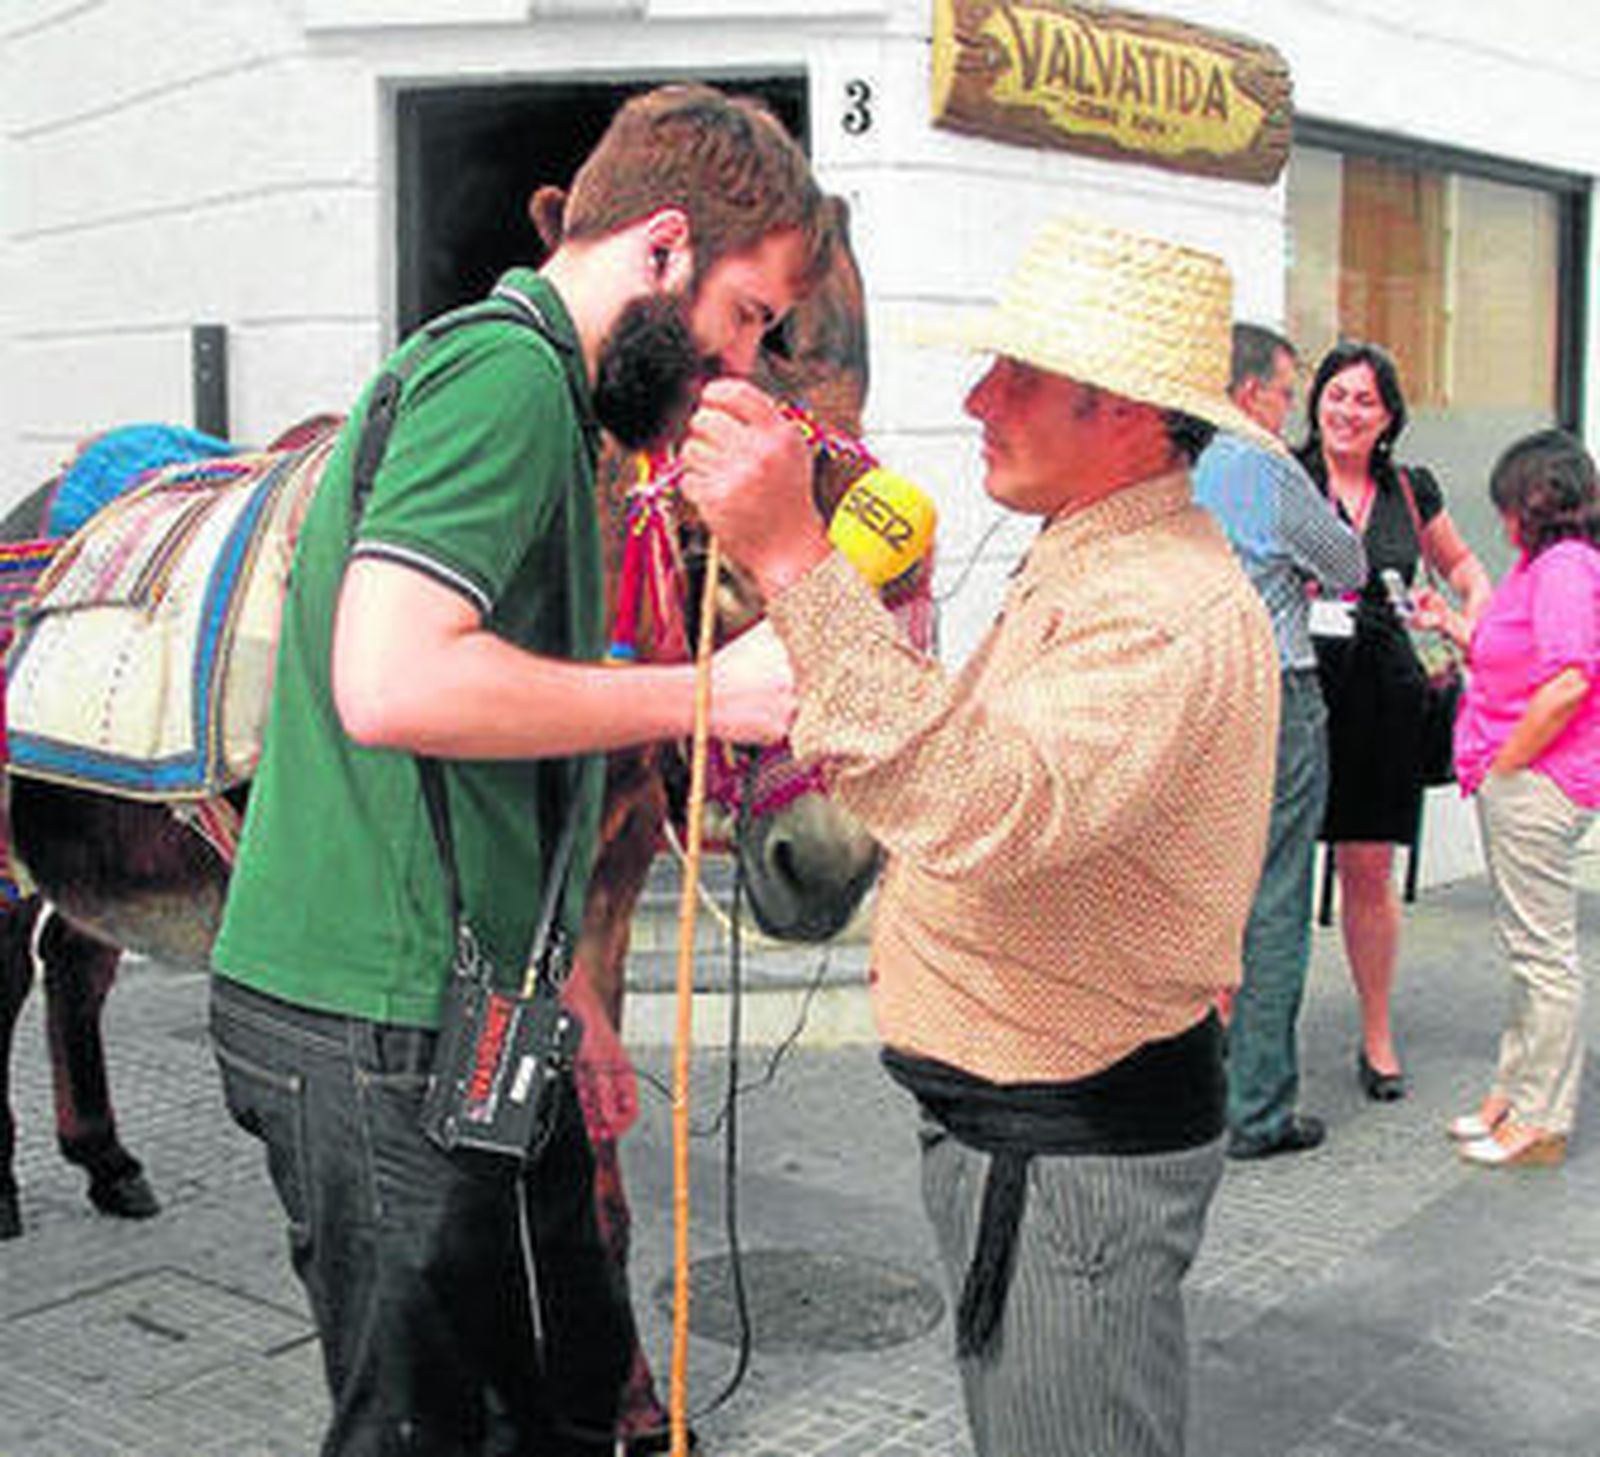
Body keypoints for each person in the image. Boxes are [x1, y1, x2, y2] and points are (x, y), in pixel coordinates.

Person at [208, 83, 821, 1457]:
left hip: (455, 1003)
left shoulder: (555, 397)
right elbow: (395, 681)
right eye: (747, 319)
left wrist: (568, 1003)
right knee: (422, 1430)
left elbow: (503, 752)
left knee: (504, 1407)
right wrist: (707, 691)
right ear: (664, 247)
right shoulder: (501, 376)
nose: (742, 366)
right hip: (368, 1017)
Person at [681, 216, 1280, 1457]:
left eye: (1017, 376)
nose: (974, 398)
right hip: (1030, 1141)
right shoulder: (1100, 556)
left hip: (1068, 1158)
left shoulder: (1159, 606)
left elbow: (983, 803)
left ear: (1123, 411)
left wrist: (794, 551)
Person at [1295, 341, 1491, 1101]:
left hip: (1382, 695)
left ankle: (1377, 1034)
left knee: (1366, 872)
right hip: (1299, 686)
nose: (1346, 410)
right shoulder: (1289, 478)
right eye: (1336, 394)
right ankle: (1232, 1028)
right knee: (1266, 871)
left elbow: (1468, 569)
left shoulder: (1411, 489)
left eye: (1364, 400)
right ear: (1317, 400)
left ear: (1388, 417)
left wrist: (1465, 612)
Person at [1193, 324, 1367, 1159]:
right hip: (1275, 689)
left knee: (1201, 892)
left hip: (1194, 696)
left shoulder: (1169, 457)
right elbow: (1348, 562)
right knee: (1274, 900)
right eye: (1286, 390)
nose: (1290, 406)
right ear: (1247, 390)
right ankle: (1257, 1109)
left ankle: (1194, 1080)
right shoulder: (1262, 462)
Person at [1422, 429, 1600, 1167]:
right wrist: (1454, 628)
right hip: (1523, 774)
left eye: (1507, 502)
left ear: (1534, 499)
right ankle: (1513, 1095)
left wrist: (1510, 766)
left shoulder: (1564, 568)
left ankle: (1541, 1117)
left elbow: (1569, 681)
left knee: (1542, 955)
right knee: (1527, 951)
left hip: (1537, 781)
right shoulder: (1541, 567)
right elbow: (1516, 663)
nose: (1501, 519)